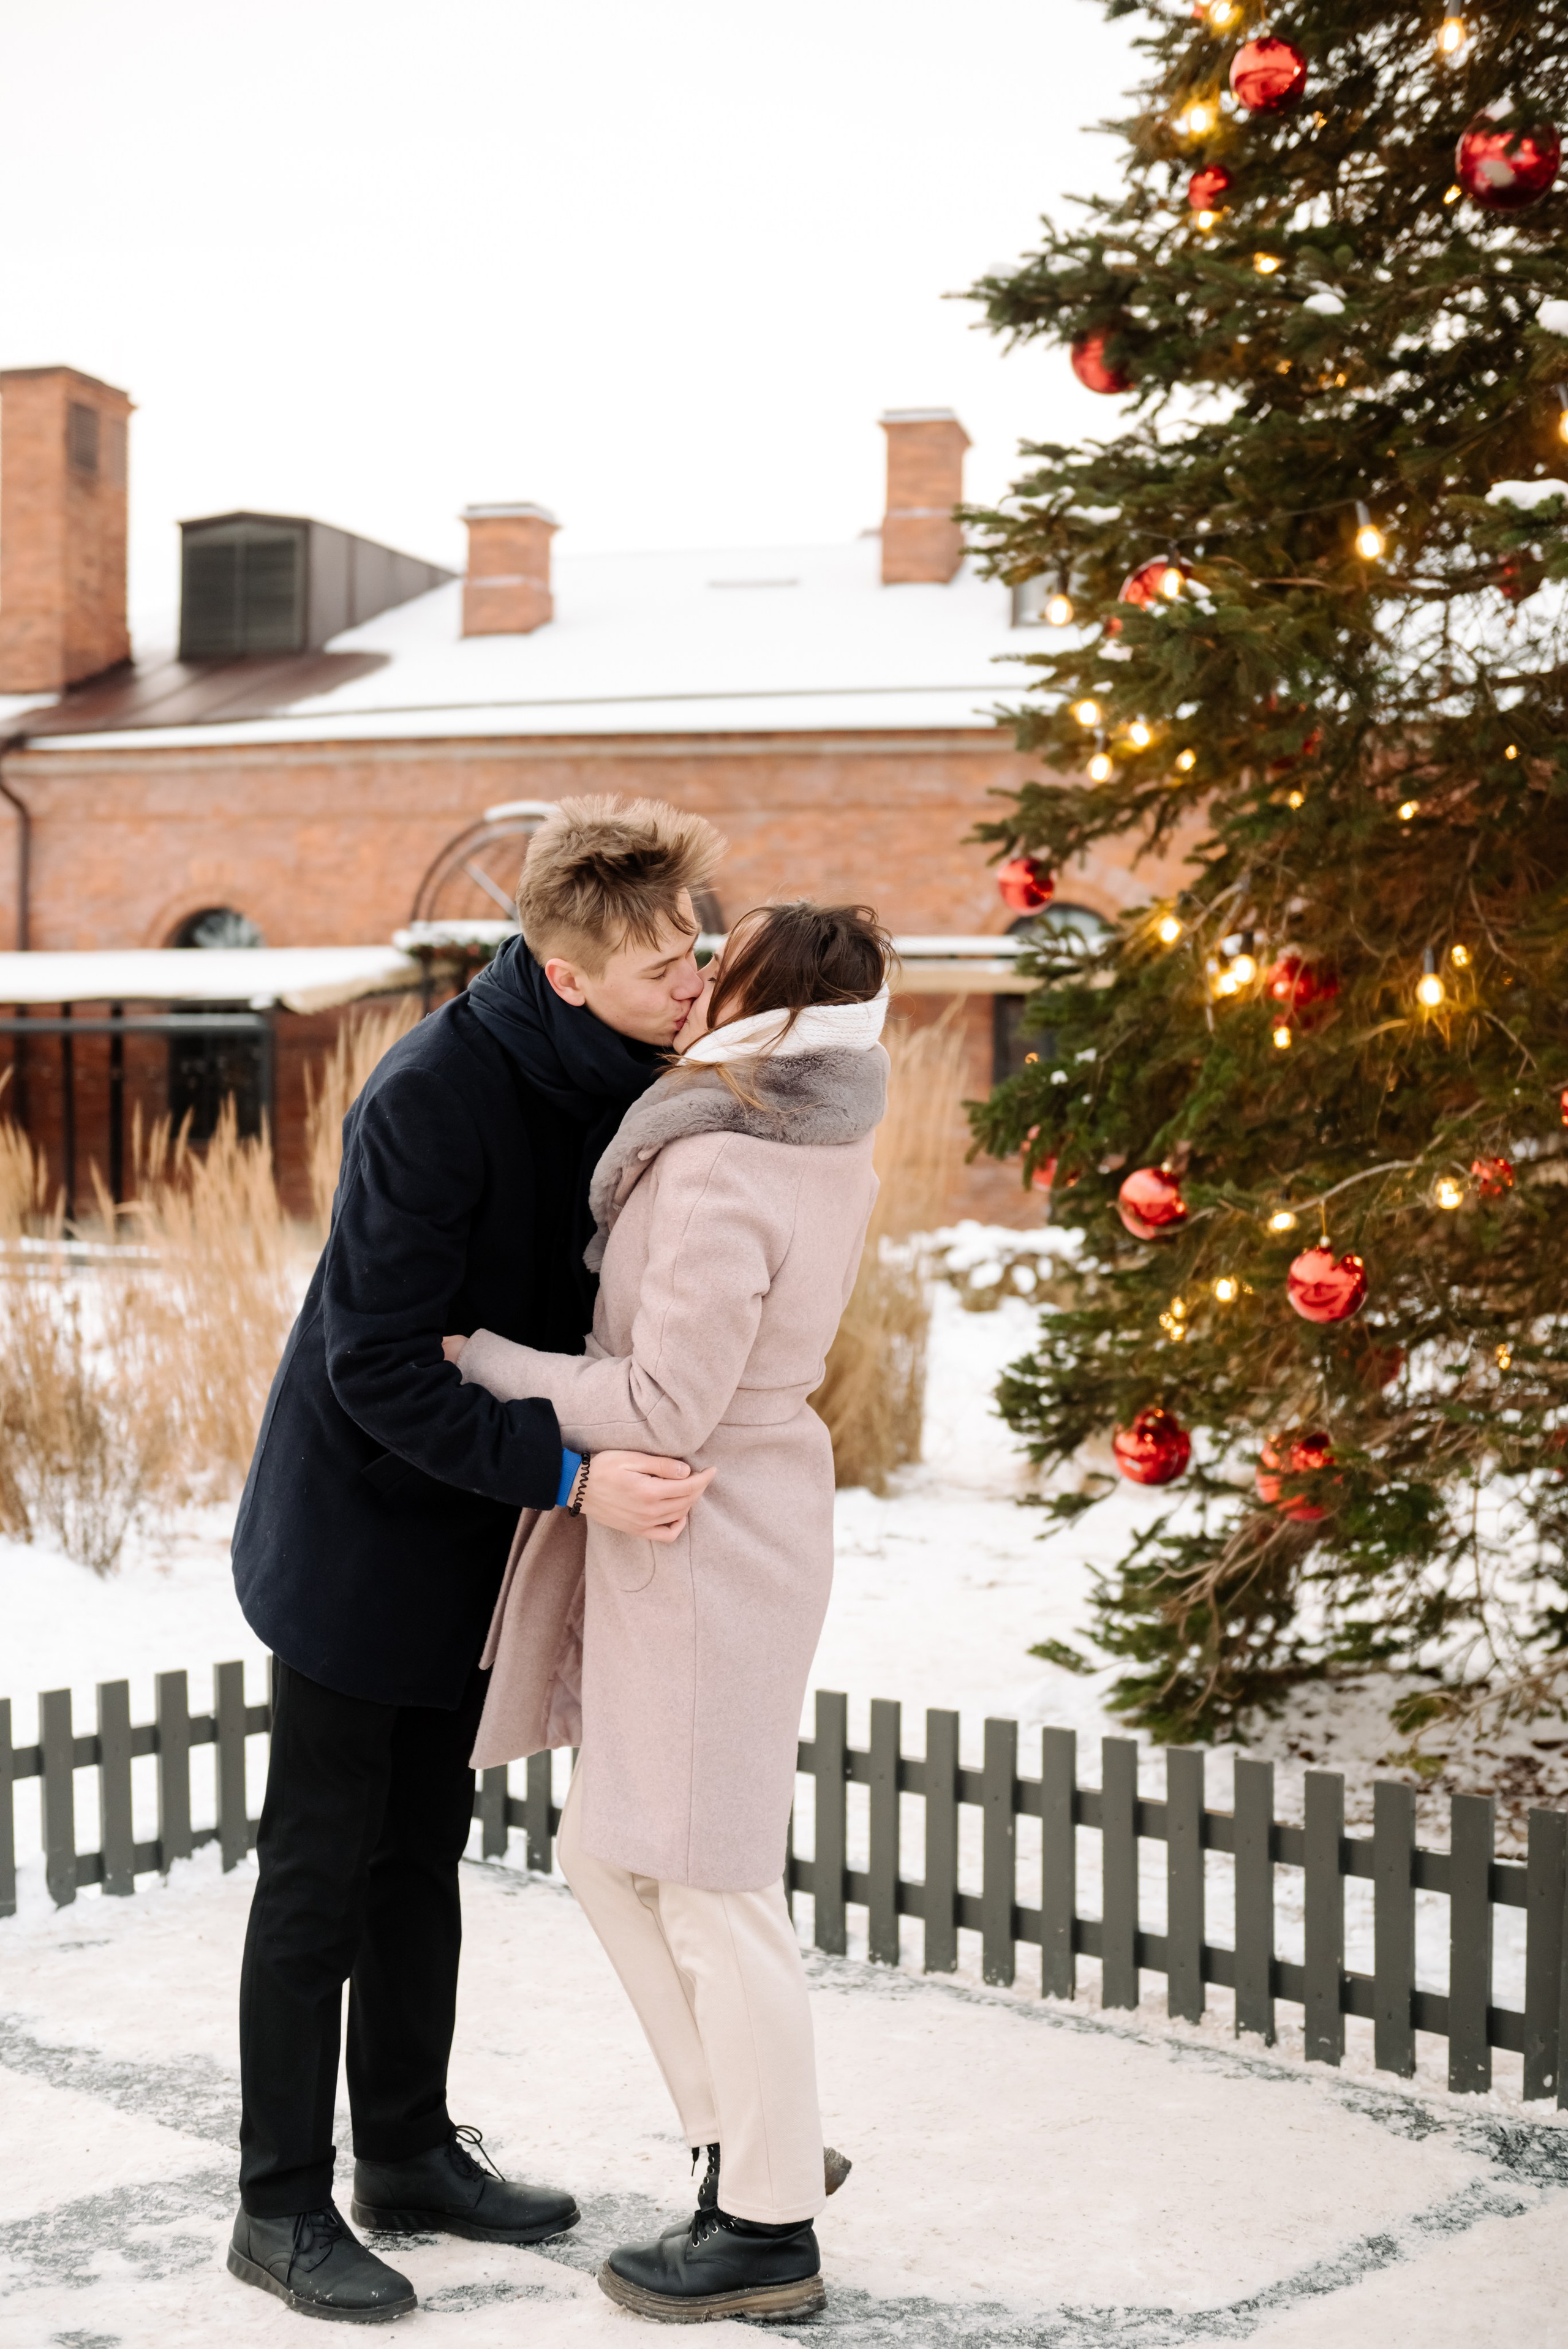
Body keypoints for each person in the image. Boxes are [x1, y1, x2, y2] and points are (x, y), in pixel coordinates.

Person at [225, 797, 725, 2324]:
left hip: (478, 1539)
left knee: (420, 1851)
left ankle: (405, 2152)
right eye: (661, 969)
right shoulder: (433, 1094)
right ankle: (278, 2204)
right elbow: (377, 1363)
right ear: (566, 973)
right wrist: (570, 1469)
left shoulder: (635, 1075)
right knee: (321, 1867)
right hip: (360, 1531)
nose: (692, 984)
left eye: (697, 951)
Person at [448, 897, 889, 2325]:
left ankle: (767, 2228)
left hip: (706, 1532)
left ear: (767, 1001)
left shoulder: (715, 1163)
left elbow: (661, 1403)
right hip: (737, 1514)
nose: (696, 979)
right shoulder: (818, 1132)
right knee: (609, 1851)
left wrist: (495, 1360)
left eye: (725, 962)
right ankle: (755, 2138)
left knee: (706, 1880)